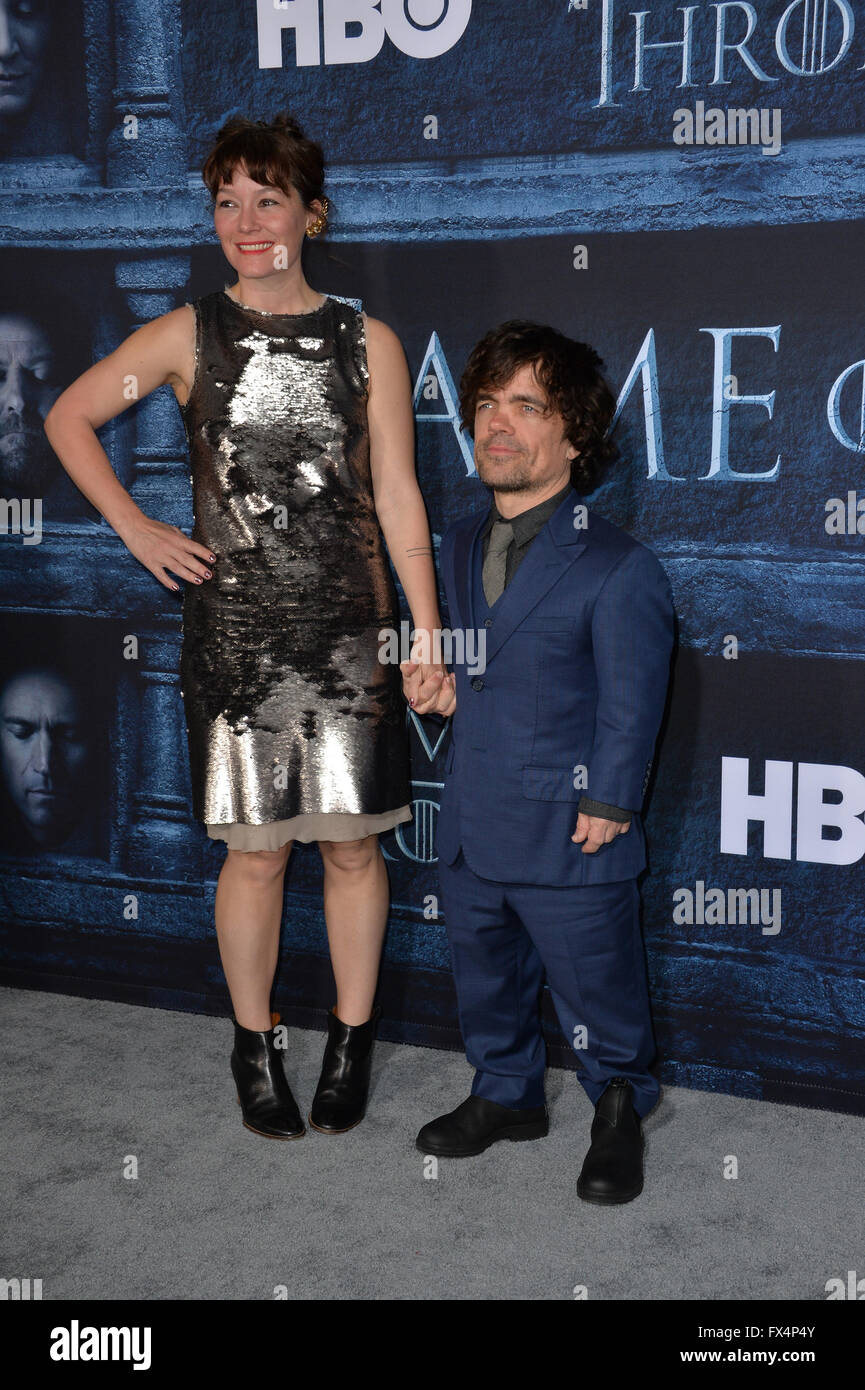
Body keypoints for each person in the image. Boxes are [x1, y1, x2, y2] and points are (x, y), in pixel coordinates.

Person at [44, 112, 448, 1142]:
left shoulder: (371, 344)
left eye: (266, 199)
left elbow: (399, 499)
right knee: (258, 857)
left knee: (355, 853)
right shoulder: (187, 335)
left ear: (311, 211)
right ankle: (254, 1038)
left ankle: (352, 1039)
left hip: (351, 635)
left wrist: (426, 634)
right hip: (237, 644)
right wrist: (136, 527)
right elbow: (69, 417)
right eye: (227, 201)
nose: (245, 221)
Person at [404, 321, 674, 1204]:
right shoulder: (451, 544)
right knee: (483, 978)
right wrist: (442, 690)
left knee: (597, 994)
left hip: (571, 827)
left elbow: (631, 700)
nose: (497, 423)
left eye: (526, 405)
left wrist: (612, 802)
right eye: (486, 403)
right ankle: (506, 1095)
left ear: (573, 437)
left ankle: (618, 1110)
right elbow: (486, 668)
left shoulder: (616, 564)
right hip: (475, 815)